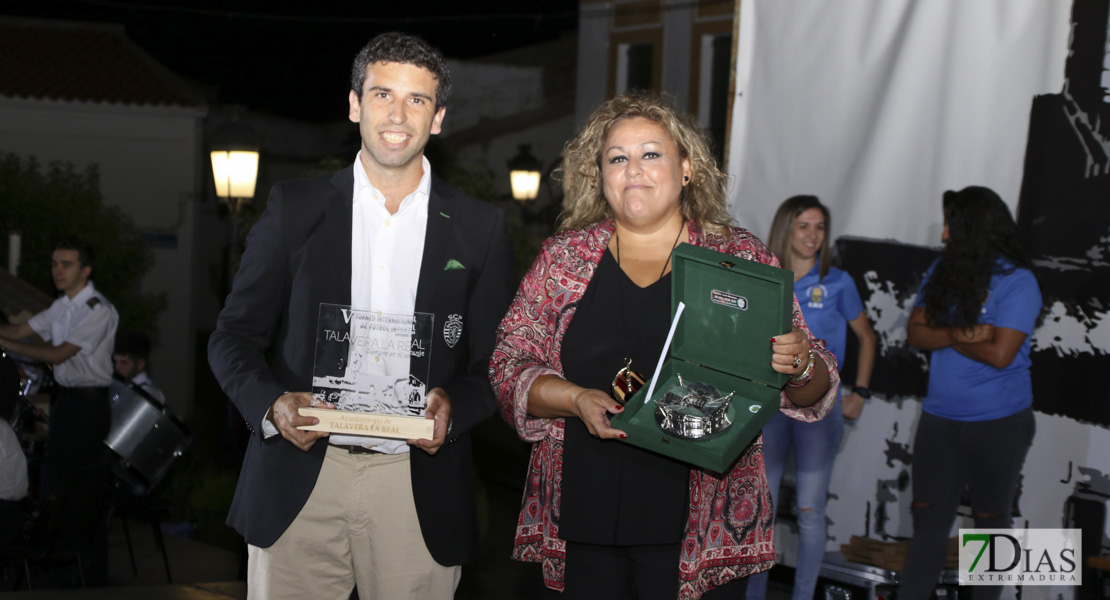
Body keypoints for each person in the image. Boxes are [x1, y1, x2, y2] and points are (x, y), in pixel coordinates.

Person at [489, 91, 840, 600]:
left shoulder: (737, 257)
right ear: (600, 173)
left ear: (688, 168)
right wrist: (574, 398)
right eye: (618, 158)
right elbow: (507, 363)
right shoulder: (564, 259)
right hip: (583, 519)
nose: (634, 169)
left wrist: (801, 363)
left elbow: (810, 386)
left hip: (700, 530)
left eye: (651, 153)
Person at [207, 32, 516, 600]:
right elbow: (232, 338)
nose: (398, 115)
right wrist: (272, 404)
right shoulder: (293, 209)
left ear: (438, 117)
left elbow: (497, 361)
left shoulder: (478, 228)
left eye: (417, 100)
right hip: (299, 480)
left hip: (416, 486)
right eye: (382, 95)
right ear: (355, 104)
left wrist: (458, 405)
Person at [901, 186, 1040, 600]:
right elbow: (914, 333)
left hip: (999, 422)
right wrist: (969, 332)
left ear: (972, 229)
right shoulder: (943, 272)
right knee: (927, 522)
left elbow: (1000, 354)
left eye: (951, 224)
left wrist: (944, 335)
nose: (944, 233)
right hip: (940, 419)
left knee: (989, 524)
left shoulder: (1018, 281)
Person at [746, 196, 877, 600]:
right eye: (804, 226)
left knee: (809, 512)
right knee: (759, 511)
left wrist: (860, 392)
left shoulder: (838, 281)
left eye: (820, 227)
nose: (813, 235)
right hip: (770, 407)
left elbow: (867, 338)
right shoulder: (766, 277)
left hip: (820, 410)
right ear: (786, 228)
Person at [0, 237, 118, 484]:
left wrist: (7, 344)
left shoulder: (98, 310)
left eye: (66, 264)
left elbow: (59, 354)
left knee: (78, 478)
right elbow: (22, 329)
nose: (57, 271)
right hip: (65, 399)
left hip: (89, 404)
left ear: (85, 270)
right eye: (54, 264)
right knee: (55, 470)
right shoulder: (62, 306)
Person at [113, 332, 165, 406]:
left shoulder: (147, 392)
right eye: (115, 362)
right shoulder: (123, 386)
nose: (117, 367)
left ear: (140, 364)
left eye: (123, 362)